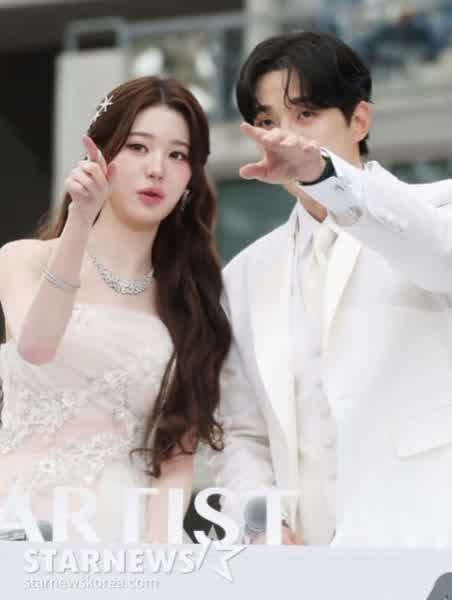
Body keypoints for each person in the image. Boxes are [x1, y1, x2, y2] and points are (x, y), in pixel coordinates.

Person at [209, 31, 452, 546]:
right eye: (268, 121)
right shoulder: (244, 274)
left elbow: (434, 254)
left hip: (431, 543)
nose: (284, 137)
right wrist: (261, 525)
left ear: (359, 120)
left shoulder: (435, 212)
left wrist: (326, 177)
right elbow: (242, 433)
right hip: (309, 562)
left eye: (305, 114)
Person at [0, 76, 231, 542]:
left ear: (191, 177)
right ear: (100, 156)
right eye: (138, 147)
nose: (156, 169)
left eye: (177, 155)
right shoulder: (23, 259)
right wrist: (79, 221)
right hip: (16, 520)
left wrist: (158, 560)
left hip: (119, 536)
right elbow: (37, 346)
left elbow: (175, 456)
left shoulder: (192, 300)